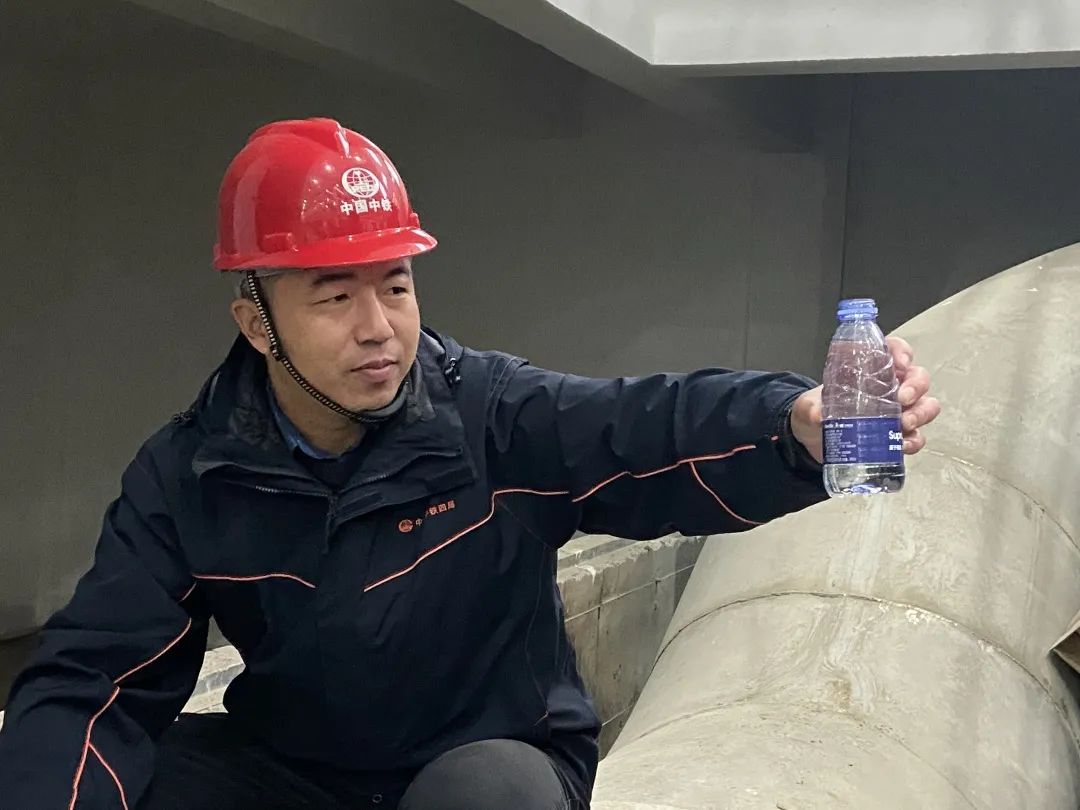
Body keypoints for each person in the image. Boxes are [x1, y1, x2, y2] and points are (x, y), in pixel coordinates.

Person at [0, 118, 940, 810]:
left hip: (488, 762)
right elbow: (94, 683)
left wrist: (792, 426)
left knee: (487, 796)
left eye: (395, 285)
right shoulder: (191, 475)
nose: (379, 328)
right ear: (257, 322)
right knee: (124, 776)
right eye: (335, 296)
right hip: (301, 772)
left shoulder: (491, 417)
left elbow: (645, 428)